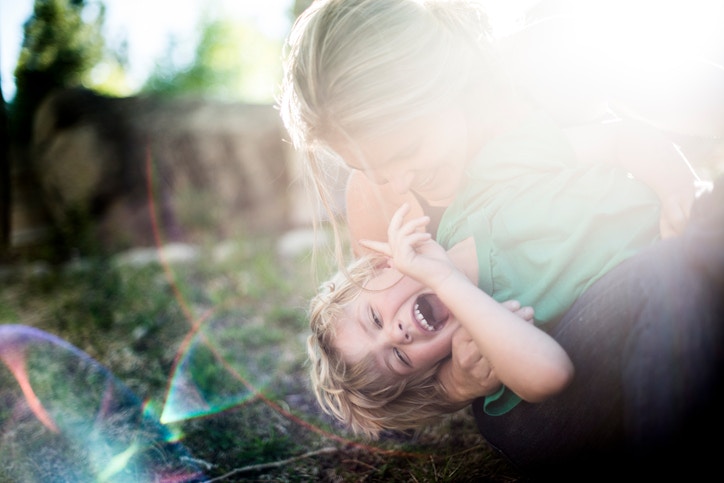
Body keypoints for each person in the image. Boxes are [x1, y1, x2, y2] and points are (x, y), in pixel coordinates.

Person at [281, 0, 724, 476]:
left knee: (689, 259)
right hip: (562, 358)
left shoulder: (555, 62)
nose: (399, 184)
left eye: (407, 150)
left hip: (653, 261)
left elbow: (691, 109)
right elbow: (417, 377)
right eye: (364, 165)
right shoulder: (380, 203)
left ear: (450, 80)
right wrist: (457, 382)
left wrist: (683, 195)